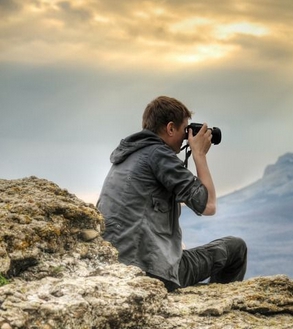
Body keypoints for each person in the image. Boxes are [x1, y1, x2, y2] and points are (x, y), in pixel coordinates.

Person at [97, 95, 247, 291]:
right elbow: (209, 205)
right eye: (185, 129)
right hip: (149, 271)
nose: (187, 136)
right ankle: (218, 306)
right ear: (170, 128)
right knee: (236, 248)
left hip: (116, 265)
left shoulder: (128, 155)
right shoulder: (158, 155)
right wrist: (199, 155)